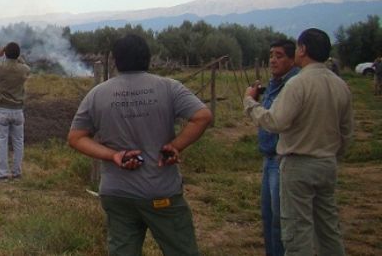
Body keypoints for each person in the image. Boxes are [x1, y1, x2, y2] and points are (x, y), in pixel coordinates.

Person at [68, 34, 213, 255]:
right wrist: (175, 146)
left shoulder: (97, 94)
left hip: (117, 194)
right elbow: (203, 116)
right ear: (147, 58)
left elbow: (76, 137)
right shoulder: (168, 87)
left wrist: (113, 156)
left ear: (115, 61)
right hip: (160, 192)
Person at [244, 28, 354, 256]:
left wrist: (250, 104)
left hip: (298, 165)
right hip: (327, 163)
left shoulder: (298, 84)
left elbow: (276, 121)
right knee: (328, 229)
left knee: (296, 231)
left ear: (302, 49)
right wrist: (332, 154)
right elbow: (346, 132)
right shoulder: (339, 85)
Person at [249, 39, 299, 256]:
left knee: (281, 219)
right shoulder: (276, 82)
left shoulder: (293, 84)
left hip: (283, 158)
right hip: (269, 157)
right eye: (271, 55)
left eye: (279, 55)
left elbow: (276, 120)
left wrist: (250, 102)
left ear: (293, 58)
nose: (272, 60)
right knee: (269, 216)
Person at [0, 42, 30, 181]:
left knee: (2, 142)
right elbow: (26, 66)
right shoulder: (23, 69)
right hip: (18, 111)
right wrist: (18, 58)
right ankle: (17, 173)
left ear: (5, 53)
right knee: (18, 142)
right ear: (18, 55)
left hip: (3, 110)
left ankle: (2, 174)